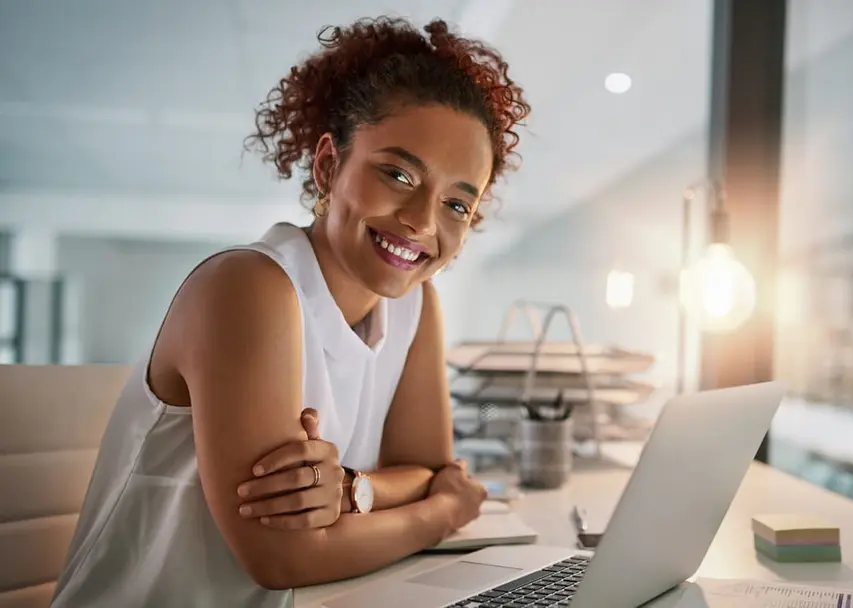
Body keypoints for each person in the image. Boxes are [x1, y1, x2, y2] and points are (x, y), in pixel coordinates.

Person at [51, 16, 529, 607]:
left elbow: (429, 472)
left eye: (457, 204)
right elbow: (282, 557)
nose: (422, 222)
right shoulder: (247, 287)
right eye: (398, 174)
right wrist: (444, 515)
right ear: (328, 166)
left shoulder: (413, 302)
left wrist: (352, 489)